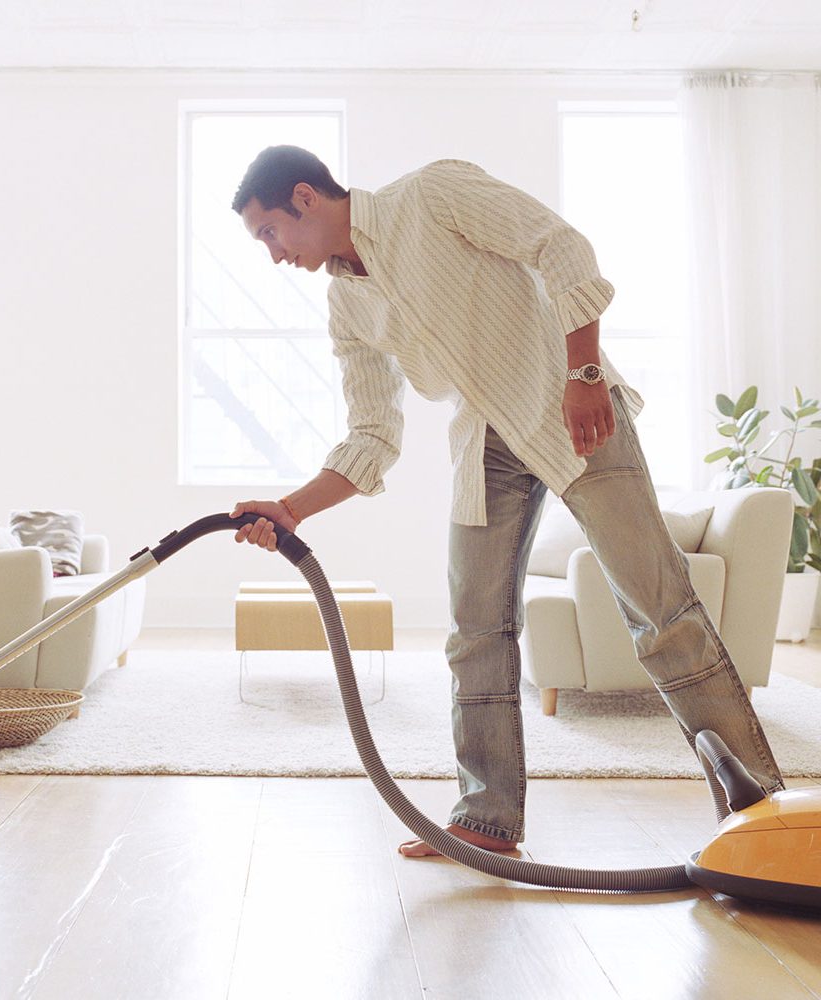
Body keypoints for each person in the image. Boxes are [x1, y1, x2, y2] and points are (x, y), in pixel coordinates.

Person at [227, 145, 784, 858]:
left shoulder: (431, 195)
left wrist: (585, 374)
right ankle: (486, 821)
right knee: (476, 632)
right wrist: (292, 508)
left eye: (269, 232)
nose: (274, 255)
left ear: (304, 197)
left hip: (572, 409)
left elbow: (561, 246)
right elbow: (373, 434)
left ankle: (761, 813)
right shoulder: (347, 304)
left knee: (661, 614)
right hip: (483, 443)